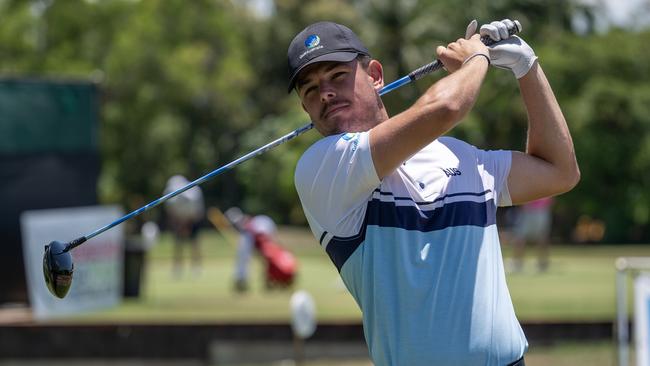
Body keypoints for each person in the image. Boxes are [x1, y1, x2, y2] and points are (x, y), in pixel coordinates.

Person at [289, 19, 580, 365]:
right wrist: (477, 59)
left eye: (337, 76)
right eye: (310, 89)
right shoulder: (322, 168)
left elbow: (559, 171)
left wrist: (527, 68)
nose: (324, 93)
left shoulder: (460, 155)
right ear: (306, 109)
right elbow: (445, 108)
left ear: (376, 76)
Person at [224, 207, 297, 292]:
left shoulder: (250, 231)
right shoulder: (259, 224)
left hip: (259, 242)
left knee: (247, 257)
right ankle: (243, 280)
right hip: (262, 241)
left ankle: (242, 280)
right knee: (259, 259)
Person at [163, 175, 205, 278]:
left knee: (194, 243)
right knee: (178, 244)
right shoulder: (170, 194)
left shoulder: (194, 192)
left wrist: (188, 224)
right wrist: (180, 224)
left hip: (192, 219)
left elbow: (197, 213)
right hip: (178, 220)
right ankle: (177, 267)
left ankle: (196, 267)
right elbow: (171, 213)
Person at [510, 197, 554, 273]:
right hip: (527, 210)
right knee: (520, 238)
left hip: (541, 210)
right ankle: (517, 264)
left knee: (542, 238)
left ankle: (542, 264)